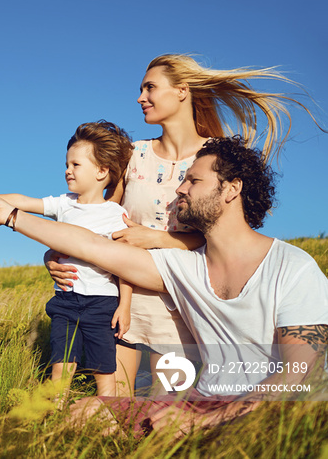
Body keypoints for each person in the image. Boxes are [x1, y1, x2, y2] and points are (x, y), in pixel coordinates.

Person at [0, 136, 328, 436]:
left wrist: (208, 420)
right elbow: (92, 246)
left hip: (267, 411)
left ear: (231, 189)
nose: (179, 189)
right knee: (86, 413)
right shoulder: (183, 267)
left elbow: (299, 374)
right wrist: (10, 216)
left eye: (193, 180)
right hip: (200, 401)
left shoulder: (292, 267)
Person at [45, 54, 326, 396]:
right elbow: (95, 217)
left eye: (150, 87)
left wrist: (157, 239)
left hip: (182, 306)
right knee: (114, 408)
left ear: (181, 91)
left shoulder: (214, 158)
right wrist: (53, 255)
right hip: (124, 302)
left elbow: (226, 237)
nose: (140, 97)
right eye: (140, 89)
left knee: (165, 418)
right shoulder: (134, 154)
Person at [0, 121, 134, 396]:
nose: (67, 170)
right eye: (66, 164)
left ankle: (107, 420)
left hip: (102, 303)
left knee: (104, 371)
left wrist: (125, 306)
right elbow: (24, 202)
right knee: (61, 369)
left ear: (101, 171)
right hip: (65, 301)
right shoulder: (64, 203)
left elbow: (126, 265)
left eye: (76, 165)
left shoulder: (115, 215)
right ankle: (53, 419)